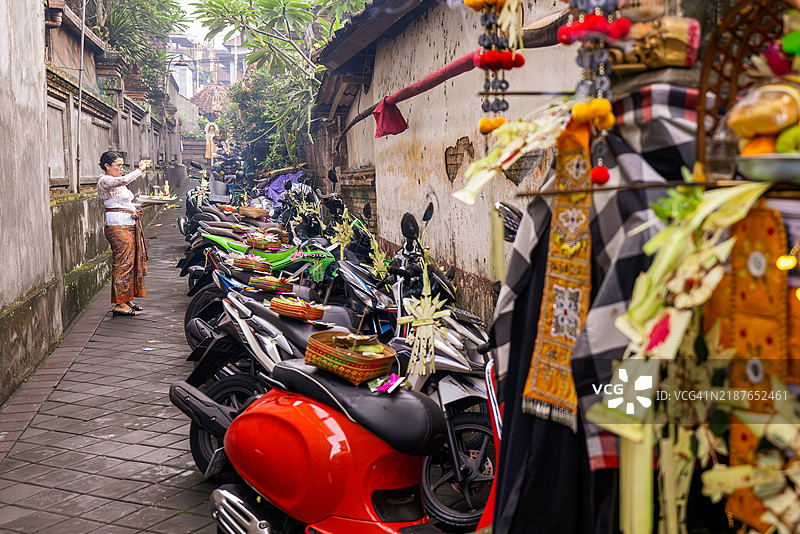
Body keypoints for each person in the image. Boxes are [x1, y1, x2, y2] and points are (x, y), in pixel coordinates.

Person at [98, 152, 150, 316]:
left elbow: (123, 202)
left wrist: (136, 209)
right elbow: (125, 179)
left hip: (128, 224)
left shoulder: (116, 183)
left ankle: (126, 299)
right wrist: (139, 169)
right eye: (118, 166)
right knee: (123, 263)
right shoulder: (105, 180)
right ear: (107, 166)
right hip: (117, 226)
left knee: (131, 263)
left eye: (123, 166)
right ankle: (120, 304)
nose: (121, 169)